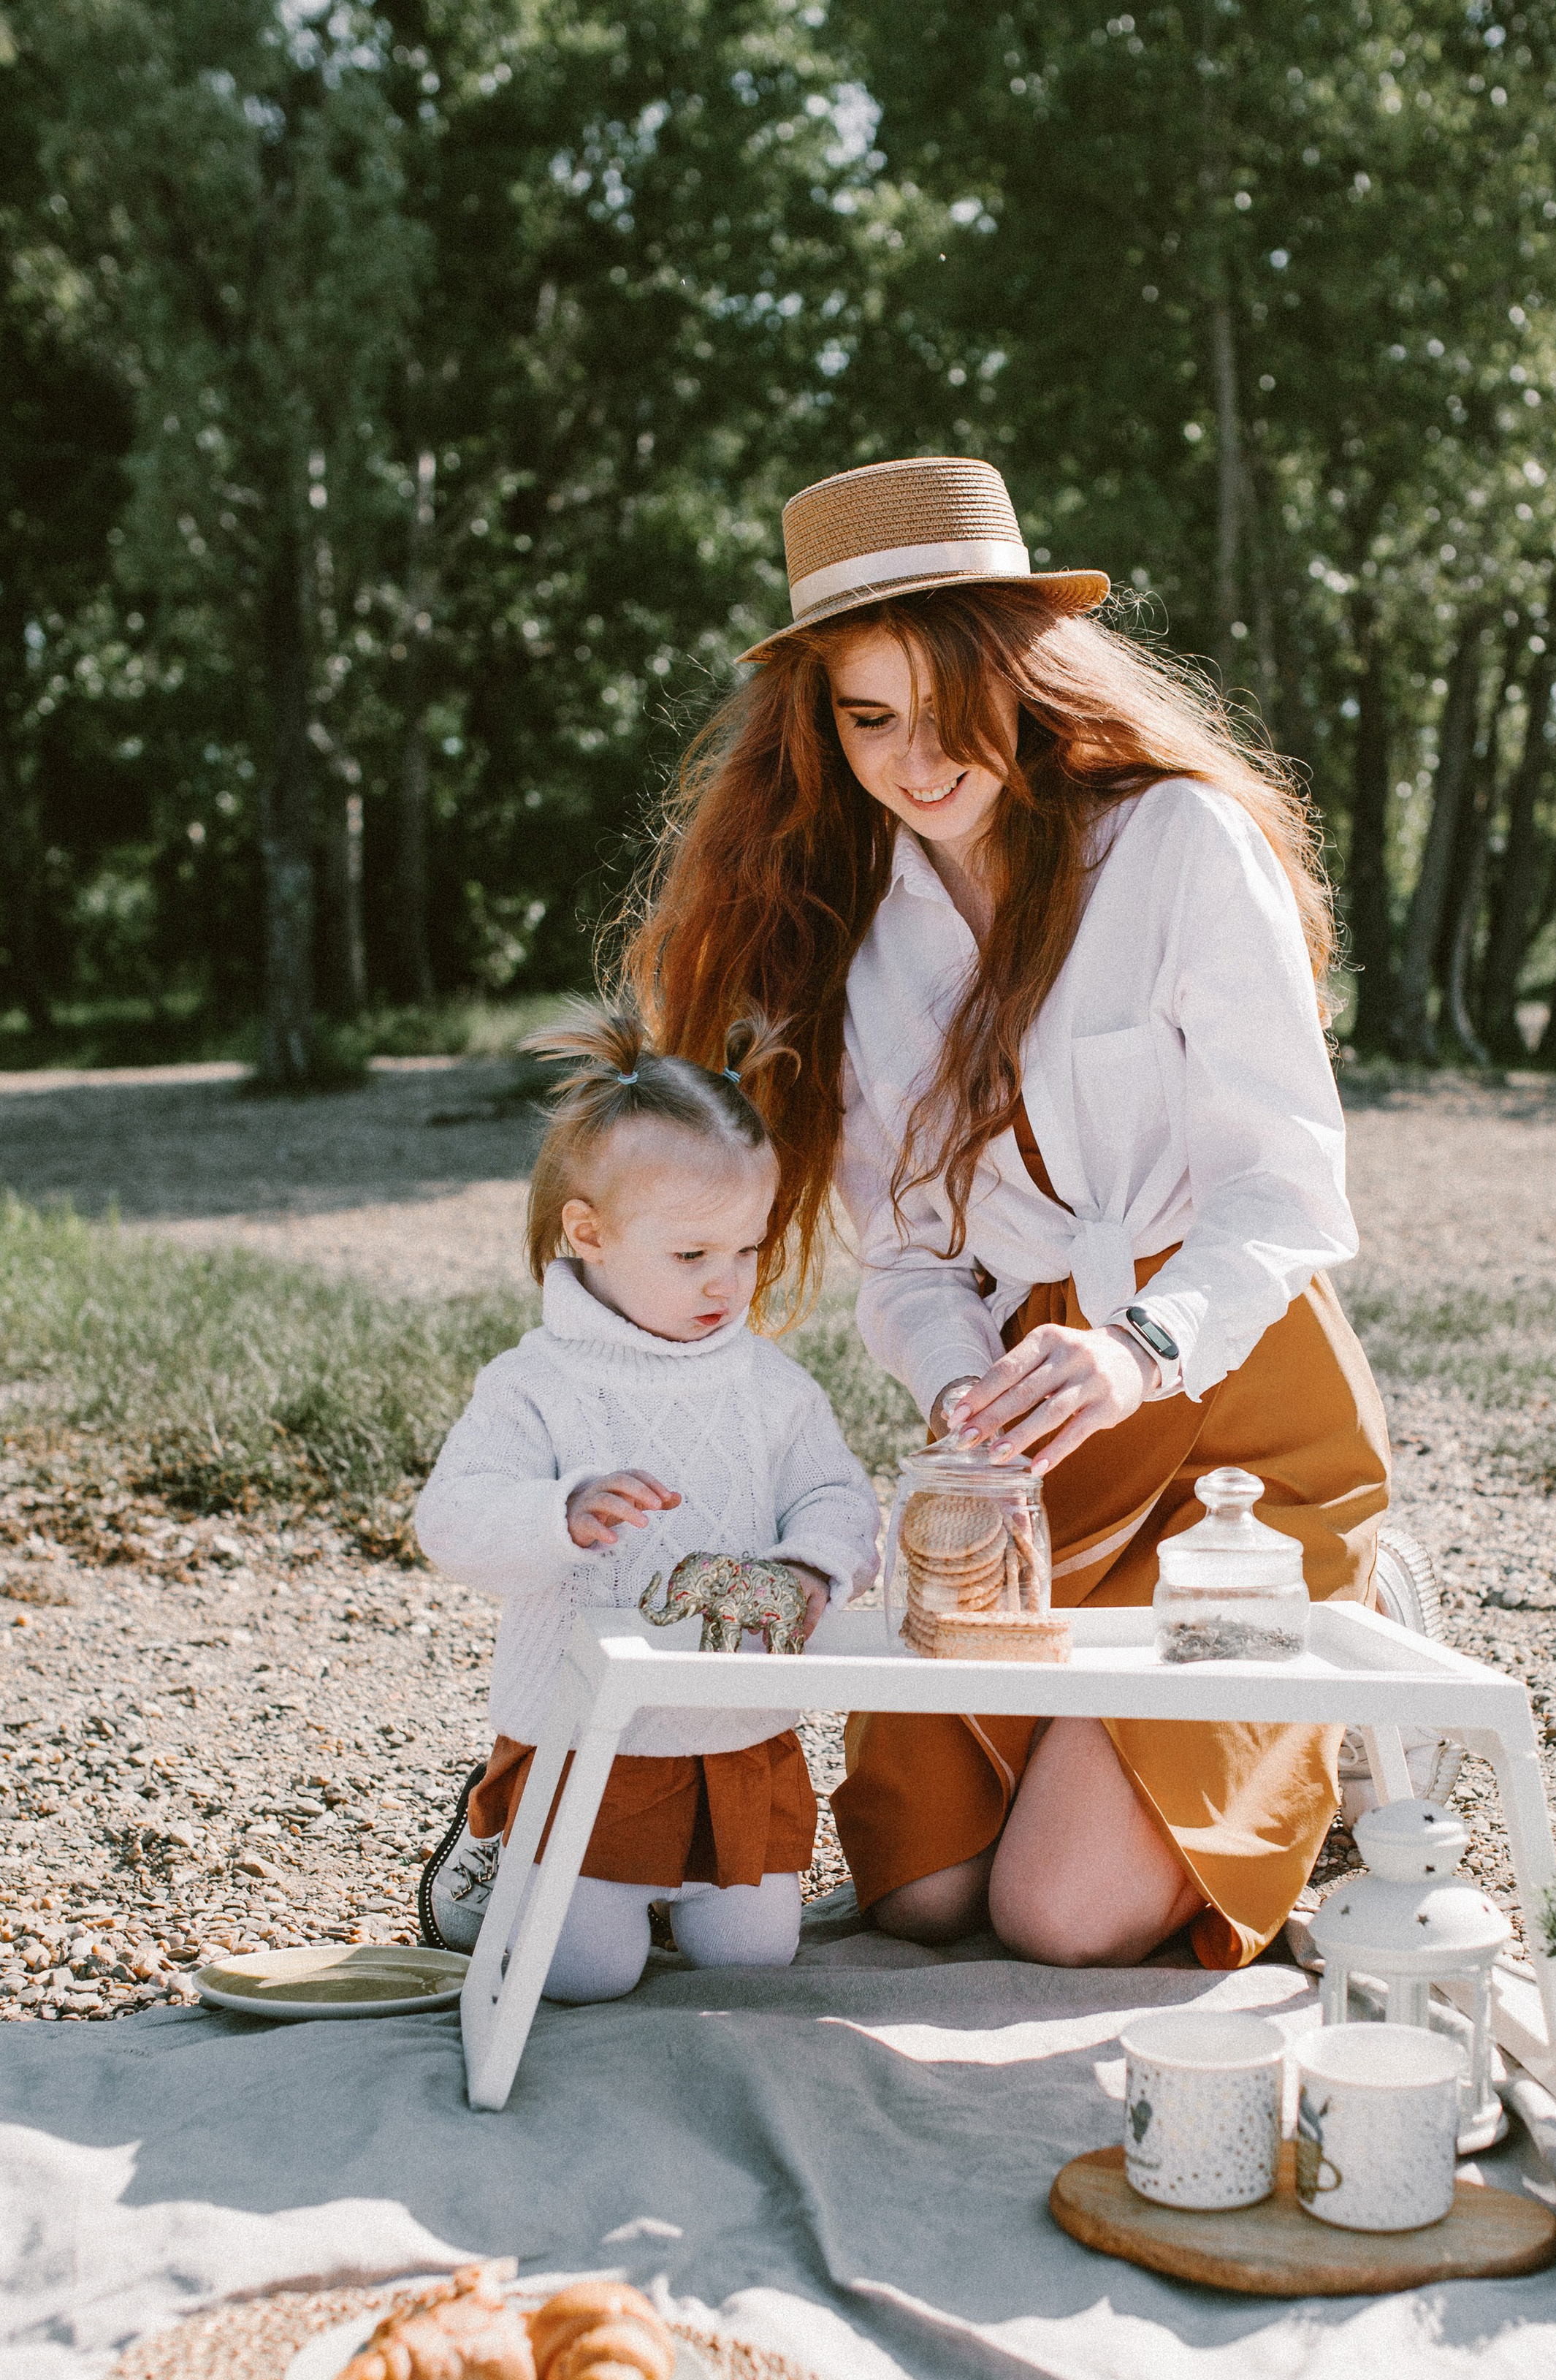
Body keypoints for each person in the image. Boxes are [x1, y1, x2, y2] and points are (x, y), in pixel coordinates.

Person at [622, 454, 1391, 1972]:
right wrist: (956, 1378)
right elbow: (905, 1260)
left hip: (1233, 1408)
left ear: (1019, 670)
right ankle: (1162, 1757)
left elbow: (1287, 1187)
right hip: (1029, 1438)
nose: (915, 760)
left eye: (945, 704)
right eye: (867, 717)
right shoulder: (860, 941)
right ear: (821, 722)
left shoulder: (1174, 846)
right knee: (919, 1892)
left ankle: (1332, 1681)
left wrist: (1137, 1346)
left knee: (1053, 1912)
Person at [413, 1005, 880, 2000]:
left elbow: (838, 1494)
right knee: (589, 1973)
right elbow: (449, 1517)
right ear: (589, 1232)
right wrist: (559, 1512)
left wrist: (808, 1565)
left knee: (752, 1958)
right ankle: (496, 1856)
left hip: (735, 1733)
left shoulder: (768, 1386)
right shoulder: (539, 1382)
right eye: (691, 1256)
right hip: (590, 1739)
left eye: (748, 1250)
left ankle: (678, 1888)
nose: (730, 1283)